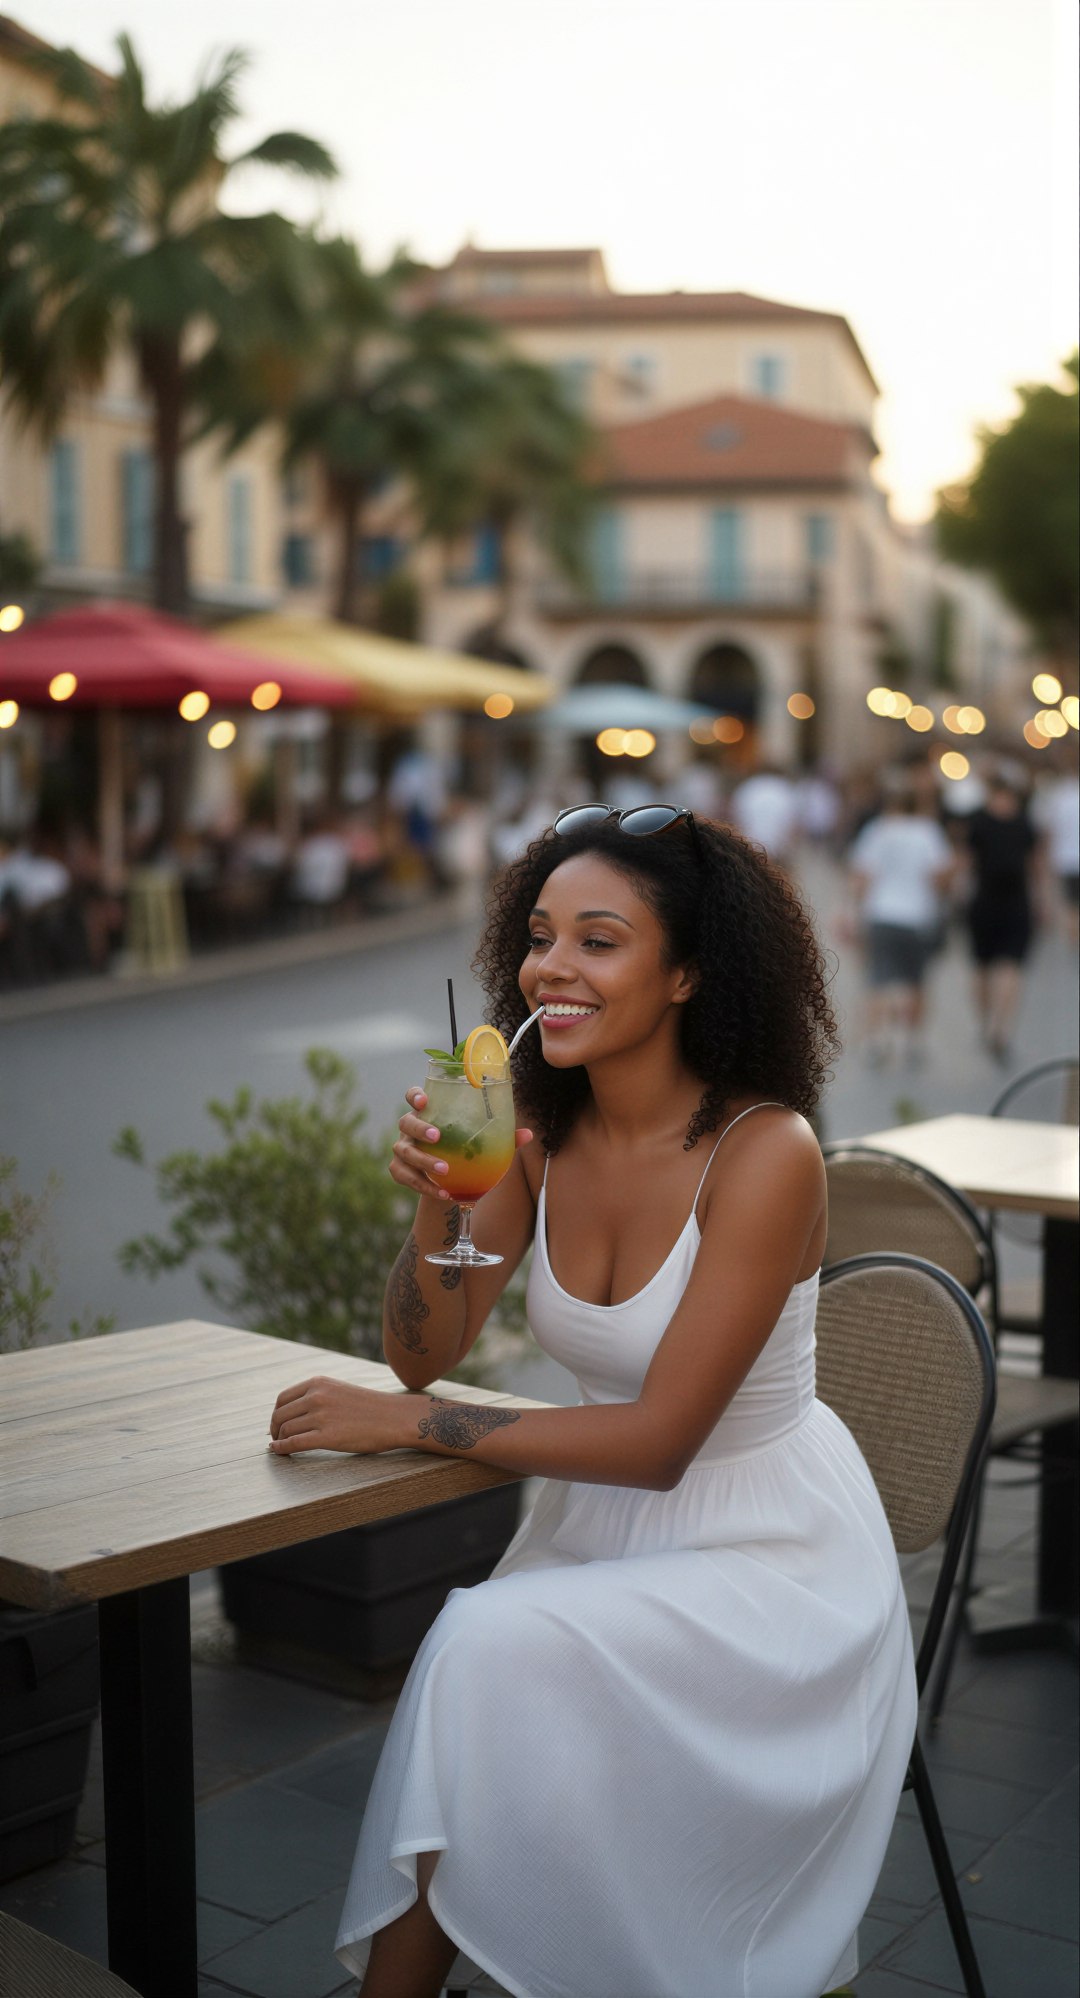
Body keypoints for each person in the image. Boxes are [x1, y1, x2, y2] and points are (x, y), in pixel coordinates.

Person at [268, 804, 917, 1998]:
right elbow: (422, 1350)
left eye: (599, 941)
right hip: (597, 1532)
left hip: (771, 1562)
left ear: (686, 974)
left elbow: (663, 1441)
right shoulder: (537, 1135)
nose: (549, 969)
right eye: (539, 935)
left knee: (481, 1645)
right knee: (497, 1677)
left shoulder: (766, 1153)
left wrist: (405, 1426)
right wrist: (438, 1203)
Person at [847, 774, 955, 1067]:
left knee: (878, 980)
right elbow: (942, 875)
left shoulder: (876, 831)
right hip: (917, 916)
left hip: (881, 913)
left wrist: (854, 912)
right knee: (915, 981)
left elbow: (860, 878)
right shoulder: (928, 832)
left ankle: (875, 1039)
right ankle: (912, 1039)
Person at [964, 768, 1043, 1063]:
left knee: (982, 966)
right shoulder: (1024, 822)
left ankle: (987, 1023)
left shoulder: (979, 821)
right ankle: (1000, 1027)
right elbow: (1035, 863)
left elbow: (966, 861)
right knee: (1010, 966)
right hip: (1016, 902)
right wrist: (1041, 900)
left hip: (984, 901)